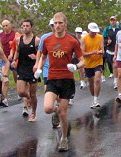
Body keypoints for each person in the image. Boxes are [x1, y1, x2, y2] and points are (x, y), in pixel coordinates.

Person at [36, 12, 85, 152]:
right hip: (52, 78)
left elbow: (83, 60)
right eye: (55, 23)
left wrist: (76, 66)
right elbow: (43, 56)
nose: (57, 25)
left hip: (67, 80)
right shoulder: (47, 40)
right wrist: (39, 68)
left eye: (60, 23)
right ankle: (56, 111)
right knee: (47, 108)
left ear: (65, 24)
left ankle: (64, 138)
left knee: (64, 113)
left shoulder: (72, 41)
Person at [12, 19, 40, 122]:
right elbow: (17, 51)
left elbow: (41, 54)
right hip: (22, 68)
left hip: (32, 69)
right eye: (23, 26)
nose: (25, 28)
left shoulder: (36, 40)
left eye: (27, 26)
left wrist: (36, 59)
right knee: (20, 92)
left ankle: (33, 113)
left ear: (31, 27)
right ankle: (28, 98)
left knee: (33, 94)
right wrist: (14, 60)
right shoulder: (19, 39)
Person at [81, 22, 104, 108]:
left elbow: (102, 49)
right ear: (88, 30)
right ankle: (93, 97)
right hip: (88, 64)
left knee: (97, 80)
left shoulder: (100, 37)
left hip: (98, 62)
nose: (94, 33)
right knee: (91, 82)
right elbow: (82, 53)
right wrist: (91, 53)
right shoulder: (84, 39)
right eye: (92, 32)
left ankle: (95, 100)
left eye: (95, 32)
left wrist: (101, 51)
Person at [0, 20, 17, 107]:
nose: (5, 27)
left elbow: (16, 47)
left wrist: (12, 54)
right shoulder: (1, 35)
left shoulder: (15, 34)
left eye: (6, 25)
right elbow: (0, 45)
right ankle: (4, 99)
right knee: (4, 78)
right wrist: (0, 54)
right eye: (3, 26)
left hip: (14, 59)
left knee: (15, 76)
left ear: (10, 25)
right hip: (5, 59)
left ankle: (19, 90)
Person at [103, 16, 121, 90]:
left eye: (113, 20)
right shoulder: (107, 29)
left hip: (118, 50)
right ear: (110, 22)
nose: (112, 22)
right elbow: (103, 39)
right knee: (113, 65)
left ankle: (116, 82)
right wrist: (107, 41)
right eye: (111, 20)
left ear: (116, 21)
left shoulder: (119, 28)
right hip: (110, 50)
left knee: (115, 65)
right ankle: (117, 78)